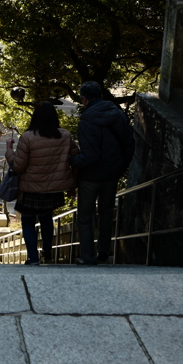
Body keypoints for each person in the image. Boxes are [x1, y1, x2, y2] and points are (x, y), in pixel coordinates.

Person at [4, 102, 79, 265]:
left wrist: (9, 150)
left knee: (28, 222)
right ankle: (47, 252)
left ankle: (33, 258)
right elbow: (75, 157)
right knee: (47, 218)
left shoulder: (28, 137)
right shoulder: (65, 135)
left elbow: (18, 166)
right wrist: (72, 184)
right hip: (54, 189)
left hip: (31, 189)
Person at [70, 81, 135, 265]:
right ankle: (104, 252)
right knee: (106, 213)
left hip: (90, 177)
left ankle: (88, 257)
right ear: (101, 96)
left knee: (85, 217)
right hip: (112, 175)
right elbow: (129, 144)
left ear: (84, 99)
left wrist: (72, 161)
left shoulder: (87, 121)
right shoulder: (119, 115)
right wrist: (121, 167)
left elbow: (90, 156)